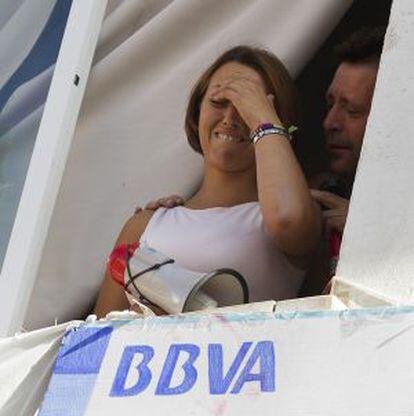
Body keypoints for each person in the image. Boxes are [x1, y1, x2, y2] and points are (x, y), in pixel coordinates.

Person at [94, 46, 321, 317]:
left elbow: (288, 218)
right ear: (196, 112)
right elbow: (96, 338)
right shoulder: (145, 224)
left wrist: (263, 120)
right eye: (218, 101)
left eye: (246, 105)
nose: (230, 118)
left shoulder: (288, 217)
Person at [305, 26, 385, 290]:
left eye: (351, 110)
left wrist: (369, 231)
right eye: (330, 104)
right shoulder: (319, 191)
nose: (329, 123)